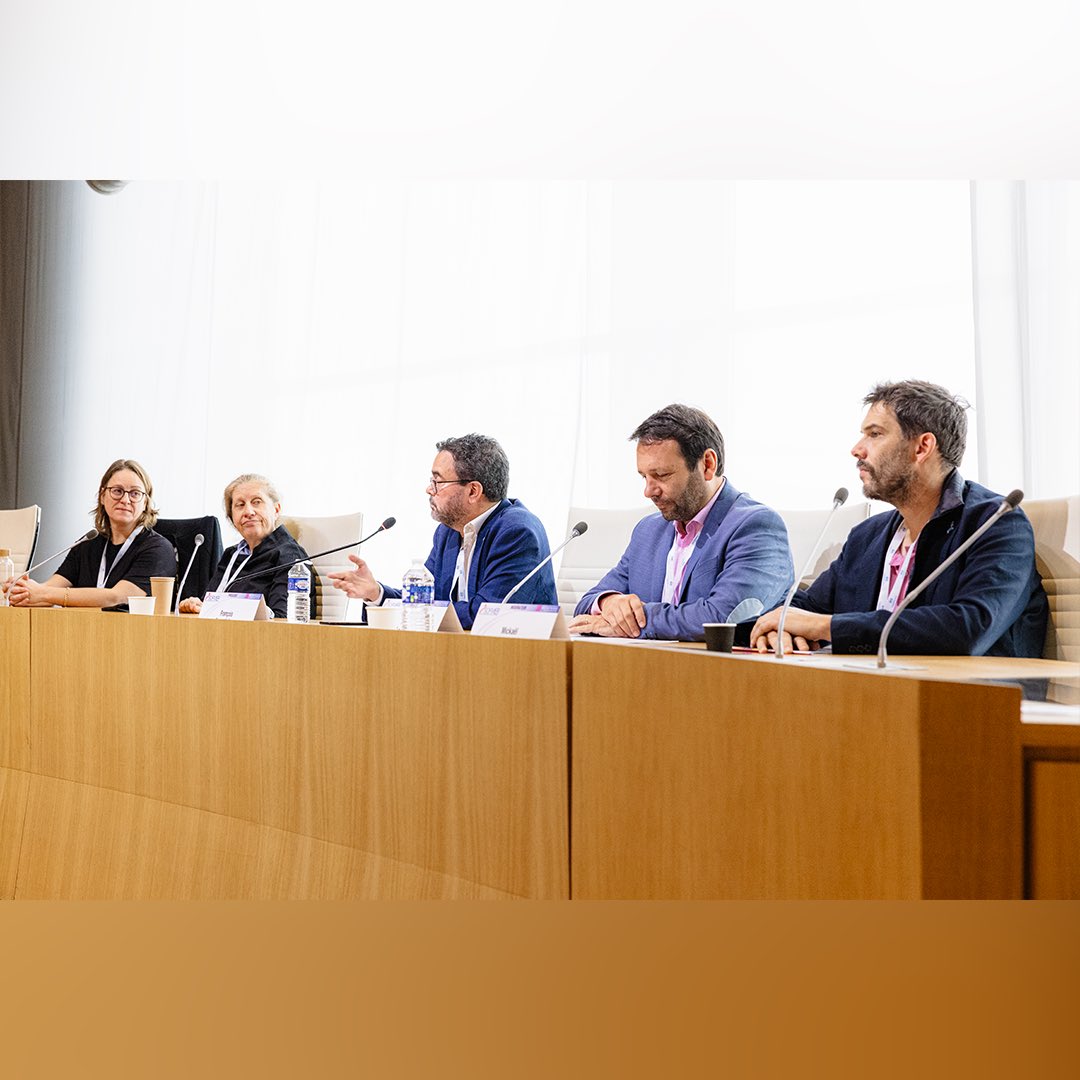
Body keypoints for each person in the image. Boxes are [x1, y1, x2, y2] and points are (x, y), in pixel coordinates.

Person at [750, 380, 1048, 656]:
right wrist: (776, 626)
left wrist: (824, 627)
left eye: (875, 434)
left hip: (967, 702)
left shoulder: (994, 523)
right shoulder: (867, 536)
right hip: (870, 696)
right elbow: (804, 607)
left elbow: (967, 627)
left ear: (922, 447)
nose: (857, 449)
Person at [569, 404, 793, 641]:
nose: (648, 491)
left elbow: (721, 618)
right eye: (644, 476)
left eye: (662, 475)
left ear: (707, 464)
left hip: (717, 671)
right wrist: (610, 602)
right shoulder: (648, 530)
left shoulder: (756, 526)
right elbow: (587, 604)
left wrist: (633, 621)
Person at [329, 434, 556, 630]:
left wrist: (421, 611)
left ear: (473, 491)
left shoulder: (517, 532)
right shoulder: (447, 532)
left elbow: (487, 615)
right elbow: (424, 602)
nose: (429, 489)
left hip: (516, 662)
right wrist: (375, 593)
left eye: (437, 481)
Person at [4, 458, 176, 608]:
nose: (125, 499)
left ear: (145, 502)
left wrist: (41, 593)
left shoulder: (158, 549)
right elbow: (49, 589)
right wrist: (23, 592)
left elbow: (118, 597)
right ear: (102, 496)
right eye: (117, 491)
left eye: (135, 493)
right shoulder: (88, 543)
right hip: (83, 632)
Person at [178, 474, 310, 620]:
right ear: (232, 518)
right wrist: (197, 606)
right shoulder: (231, 554)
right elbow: (211, 605)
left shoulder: (290, 555)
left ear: (276, 510)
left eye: (257, 502)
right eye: (240, 505)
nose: (248, 512)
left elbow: (282, 617)